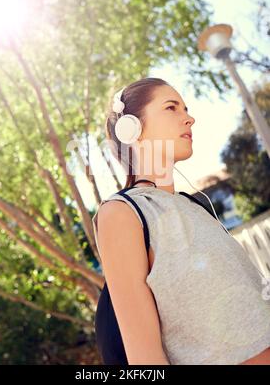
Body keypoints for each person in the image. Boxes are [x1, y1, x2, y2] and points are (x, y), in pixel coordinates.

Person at [93, 77, 270, 365]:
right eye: (171, 108)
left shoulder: (196, 206)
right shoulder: (122, 213)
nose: (189, 119)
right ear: (132, 129)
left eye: (185, 108)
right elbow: (145, 359)